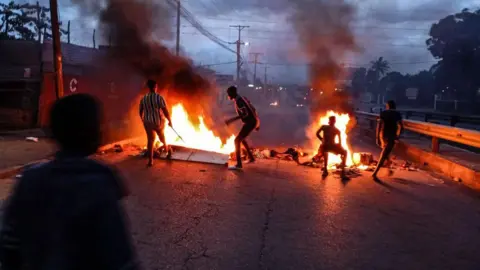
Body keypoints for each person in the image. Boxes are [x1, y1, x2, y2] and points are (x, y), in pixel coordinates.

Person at [0, 94, 138, 270]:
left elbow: (9, 247)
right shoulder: (99, 185)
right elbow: (120, 260)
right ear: (94, 134)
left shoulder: (30, 180)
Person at [225, 86, 260, 170]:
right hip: (251, 122)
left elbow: (245, 114)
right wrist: (257, 122)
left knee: (236, 140)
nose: (228, 95)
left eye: (229, 93)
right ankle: (251, 158)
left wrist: (231, 120)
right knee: (242, 139)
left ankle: (239, 165)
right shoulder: (242, 98)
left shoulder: (239, 101)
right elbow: (253, 109)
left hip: (250, 123)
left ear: (233, 93)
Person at [140, 79, 173, 167]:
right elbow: (165, 111)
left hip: (147, 122)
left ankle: (150, 161)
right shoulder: (159, 97)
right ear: (155, 87)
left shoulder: (144, 98)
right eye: (156, 86)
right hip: (158, 122)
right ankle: (167, 150)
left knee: (150, 141)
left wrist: (142, 119)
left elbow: (140, 111)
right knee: (162, 138)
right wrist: (170, 121)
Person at [372, 100, 404, 182]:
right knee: (384, 153)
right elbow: (401, 126)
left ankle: (388, 168)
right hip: (391, 136)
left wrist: (377, 138)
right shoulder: (397, 114)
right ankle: (375, 173)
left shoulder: (383, 113)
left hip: (383, 135)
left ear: (388, 106)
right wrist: (398, 135)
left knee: (385, 152)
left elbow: (378, 126)